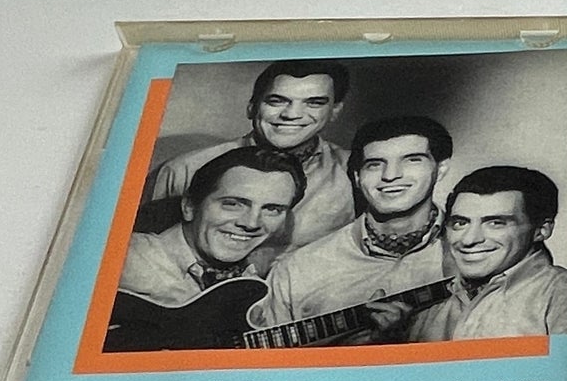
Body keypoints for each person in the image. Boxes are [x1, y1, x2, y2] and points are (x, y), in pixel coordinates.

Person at [254, 115, 453, 340]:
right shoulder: (296, 270)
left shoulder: (473, 254)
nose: (390, 175)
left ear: (441, 168)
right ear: (358, 177)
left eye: (411, 160)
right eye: (375, 164)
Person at [146, 61, 353, 258]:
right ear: (252, 107)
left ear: (335, 111)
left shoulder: (354, 172)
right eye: (276, 101)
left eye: (313, 103)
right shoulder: (184, 169)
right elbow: (147, 249)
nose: (292, 114)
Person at [118, 147, 306, 308]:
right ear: (189, 206)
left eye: (272, 209)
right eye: (232, 204)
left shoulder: (257, 290)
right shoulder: (123, 259)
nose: (251, 223)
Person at [408, 166, 567, 342]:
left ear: (541, 230)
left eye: (495, 223)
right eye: (460, 223)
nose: (469, 240)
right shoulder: (423, 305)